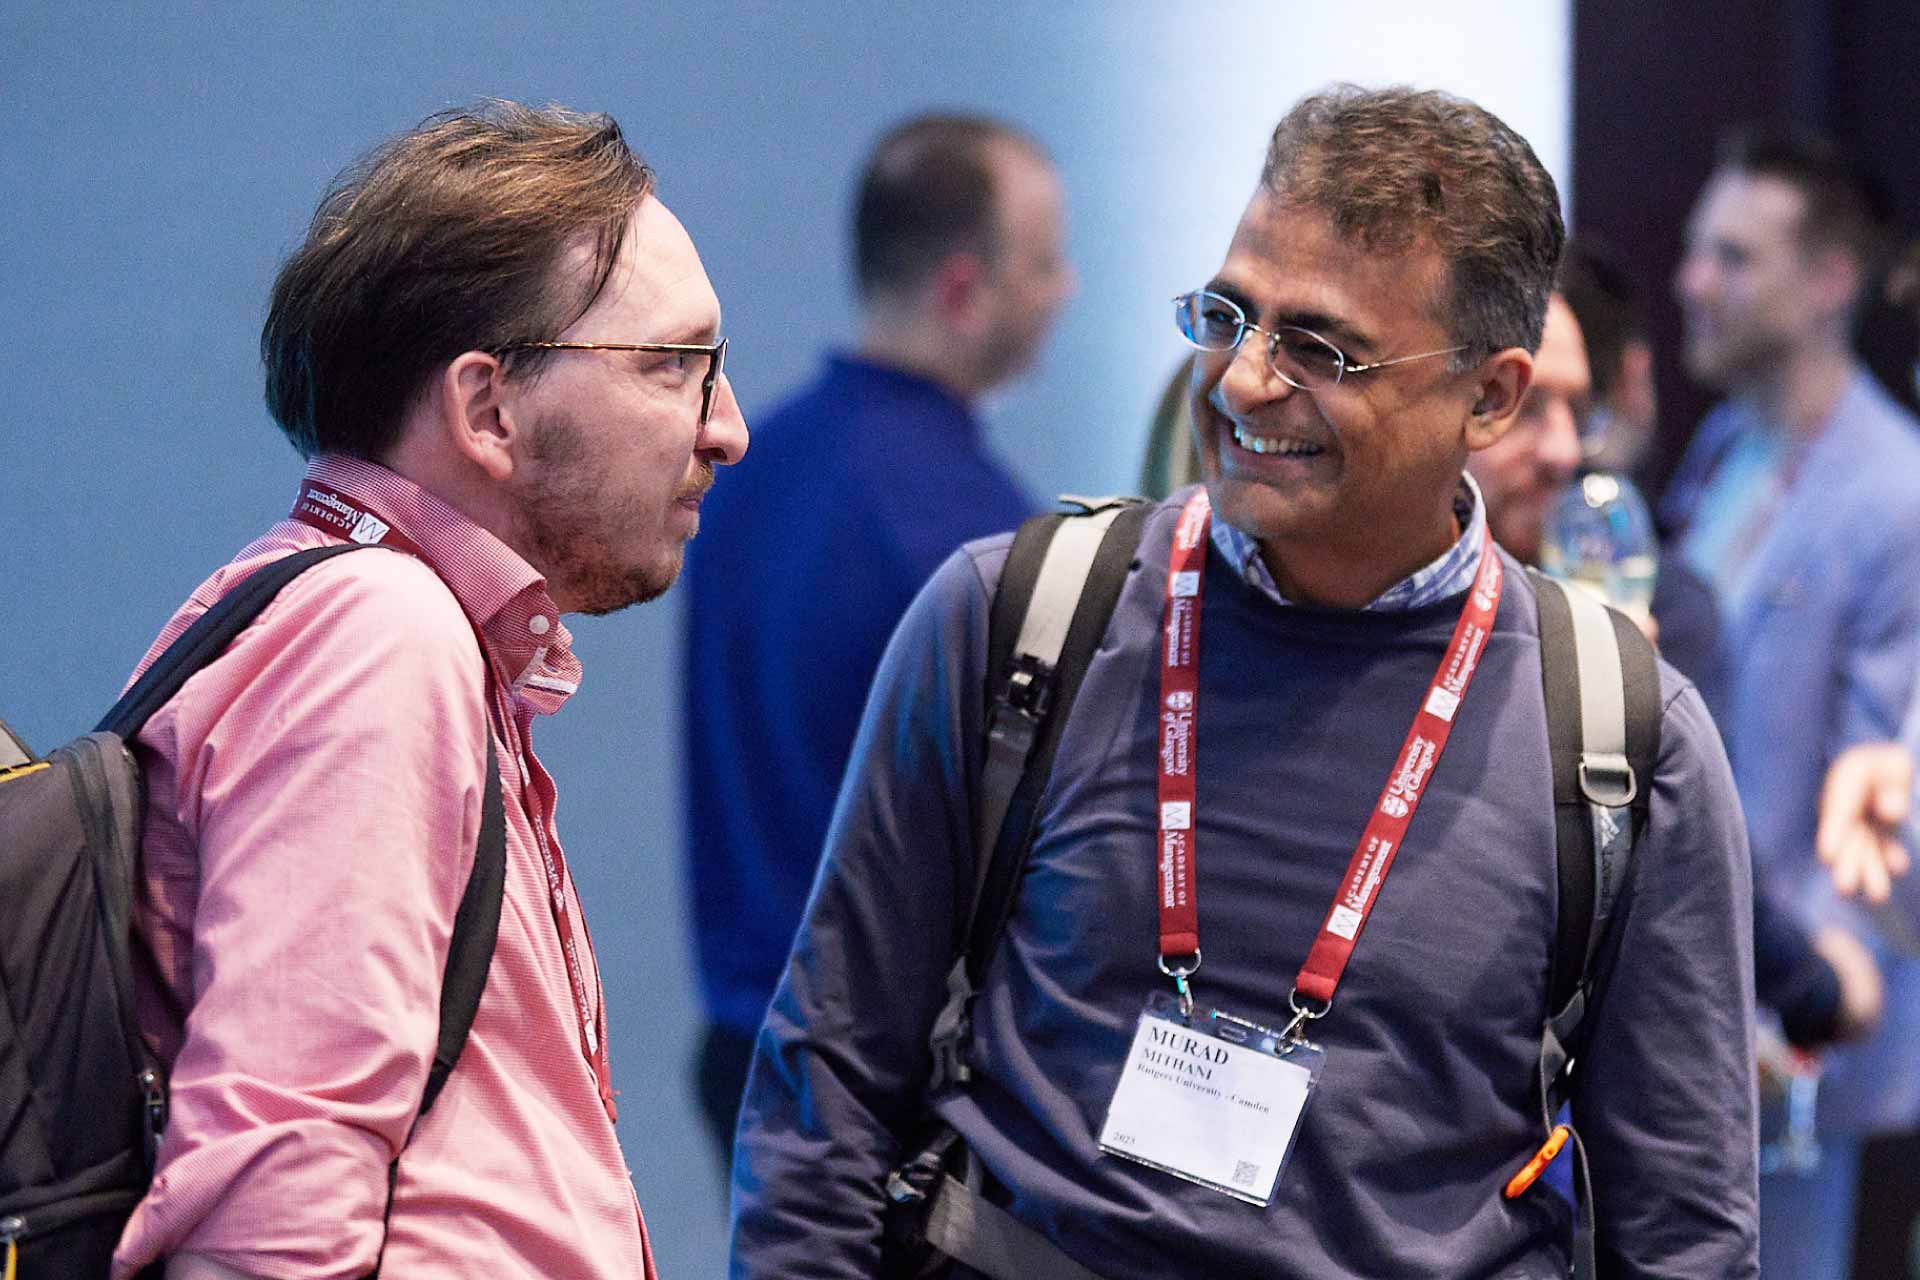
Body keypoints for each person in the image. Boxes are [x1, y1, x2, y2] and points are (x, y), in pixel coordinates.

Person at [733, 85, 1757, 1276]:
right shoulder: (1021, 620)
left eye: (1320, 348)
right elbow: (827, 1081)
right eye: (1228, 315)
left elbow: (1685, 1226)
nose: (1243, 381)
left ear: (1490, 395)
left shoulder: (1622, 737)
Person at [110, 101, 747, 1280]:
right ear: (488, 409)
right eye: (675, 367)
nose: (728, 429)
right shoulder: (374, 633)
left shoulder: (361, 618)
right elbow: (269, 1210)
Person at [681, 112, 1073, 1163]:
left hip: (744, 1047)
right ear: (962, 288)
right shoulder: (980, 541)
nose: (1064, 290)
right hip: (888, 1084)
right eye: (1044, 263)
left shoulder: (742, 473)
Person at [1660, 125, 1920, 1279]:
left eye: (1733, 257)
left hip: (1811, 1033)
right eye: (1695, 249)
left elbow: (1882, 787)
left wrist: (1792, 988)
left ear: (1829, 281)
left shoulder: (1898, 496)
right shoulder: (1726, 444)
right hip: (1711, 985)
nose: (1693, 282)